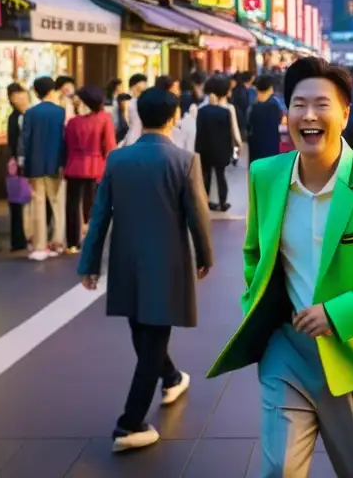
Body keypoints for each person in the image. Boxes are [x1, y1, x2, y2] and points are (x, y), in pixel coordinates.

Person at [207, 57, 353, 478]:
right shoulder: (265, 175)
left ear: (345, 113)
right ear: (286, 112)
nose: (309, 115)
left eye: (322, 104)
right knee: (279, 470)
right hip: (287, 351)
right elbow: (255, 251)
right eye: (298, 103)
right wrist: (255, 303)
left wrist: (335, 313)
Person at [78, 86, 213, 453]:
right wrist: (205, 255)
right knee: (153, 338)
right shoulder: (184, 160)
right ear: (172, 117)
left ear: (139, 116)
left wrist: (89, 263)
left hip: (126, 261)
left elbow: (99, 215)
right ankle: (129, 423)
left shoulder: (117, 160)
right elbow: (198, 217)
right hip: (167, 261)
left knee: (142, 330)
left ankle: (171, 378)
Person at [19, 75, 67, 261]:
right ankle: (57, 241)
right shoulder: (60, 112)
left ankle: (39, 245)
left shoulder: (30, 113)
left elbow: (25, 139)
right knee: (57, 203)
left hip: (35, 164)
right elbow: (64, 140)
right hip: (56, 163)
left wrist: (22, 161)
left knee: (38, 204)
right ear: (52, 90)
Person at [64, 86, 116, 253]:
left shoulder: (72, 123)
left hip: (73, 166)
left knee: (72, 205)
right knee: (93, 205)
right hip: (95, 166)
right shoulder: (104, 119)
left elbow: (67, 146)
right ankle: (94, 240)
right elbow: (109, 145)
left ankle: (72, 242)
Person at [195, 76, 236, 212]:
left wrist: (197, 149)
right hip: (221, 149)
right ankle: (223, 202)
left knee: (206, 177)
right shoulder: (225, 112)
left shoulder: (201, 111)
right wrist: (231, 151)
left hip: (205, 149)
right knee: (221, 176)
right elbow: (228, 133)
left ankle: (205, 201)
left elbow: (199, 132)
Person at [6, 82, 31, 252]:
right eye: (13, 96)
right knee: (17, 201)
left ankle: (28, 235)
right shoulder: (13, 118)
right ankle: (18, 239)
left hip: (29, 164)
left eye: (20, 94)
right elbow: (13, 143)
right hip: (17, 166)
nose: (17, 99)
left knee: (29, 201)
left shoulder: (30, 115)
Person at [247, 75, 283, 164]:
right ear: (270, 89)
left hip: (255, 145)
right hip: (271, 144)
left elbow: (249, 124)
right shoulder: (275, 105)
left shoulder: (254, 106)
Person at [121, 74, 150, 147]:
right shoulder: (128, 103)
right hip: (134, 137)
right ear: (133, 86)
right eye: (142, 82)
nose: (145, 85)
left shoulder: (144, 101)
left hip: (141, 137)